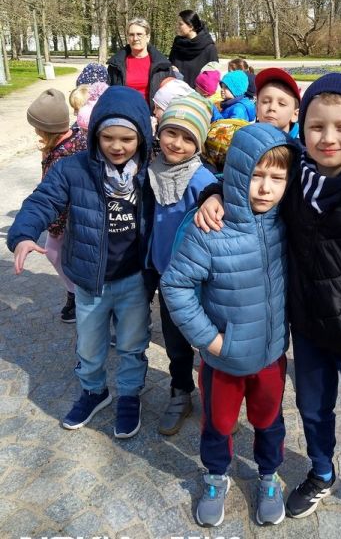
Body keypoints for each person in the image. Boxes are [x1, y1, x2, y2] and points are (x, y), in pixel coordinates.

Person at [194, 73, 341, 539]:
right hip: (310, 334)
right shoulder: (295, 184)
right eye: (317, 126)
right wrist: (214, 194)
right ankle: (322, 471)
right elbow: (250, 185)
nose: (328, 138)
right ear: (302, 128)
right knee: (314, 410)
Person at [161, 124, 295, 527]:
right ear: (237, 175)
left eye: (277, 178)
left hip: (270, 356)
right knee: (218, 424)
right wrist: (209, 339)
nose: (266, 188)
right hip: (224, 360)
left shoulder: (287, 224)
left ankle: (269, 477)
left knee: (269, 421)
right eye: (256, 175)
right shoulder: (210, 229)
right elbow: (176, 285)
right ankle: (216, 476)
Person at [8, 86, 154, 440]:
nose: (117, 146)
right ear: (94, 135)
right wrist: (23, 234)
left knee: (132, 344)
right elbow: (42, 201)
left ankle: (129, 395)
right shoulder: (72, 169)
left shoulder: (151, 172)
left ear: (141, 138)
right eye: (107, 137)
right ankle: (93, 390)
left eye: (126, 139)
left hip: (134, 279)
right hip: (90, 279)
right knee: (89, 345)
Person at [147, 93, 217, 436]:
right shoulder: (150, 172)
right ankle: (180, 392)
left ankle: (217, 398)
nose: (177, 143)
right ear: (159, 132)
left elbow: (217, 214)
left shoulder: (202, 180)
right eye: (171, 132)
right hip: (166, 277)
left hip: (199, 281)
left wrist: (216, 195)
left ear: (198, 144)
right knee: (175, 342)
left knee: (208, 341)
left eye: (188, 138)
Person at [25, 88, 86, 323]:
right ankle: (75, 294)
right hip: (70, 216)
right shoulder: (73, 138)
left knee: (53, 251)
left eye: (37, 126)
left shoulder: (62, 154)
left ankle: (77, 296)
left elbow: (61, 196)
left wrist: (55, 226)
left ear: (46, 128)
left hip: (68, 216)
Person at [107, 17, 173, 112]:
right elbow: (109, 94)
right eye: (131, 35)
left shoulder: (162, 65)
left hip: (152, 115)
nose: (135, 38)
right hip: (124, 114)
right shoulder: (116, 64)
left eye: (139, 34)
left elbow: (171, 96)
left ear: (148, 37)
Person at [169, 9, 219, 88]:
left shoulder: (209, 48)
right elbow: (171, 63)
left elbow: (212, 78)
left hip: (197, 93)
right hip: (176, 91)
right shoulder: (178, 43)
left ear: (191, 26)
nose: (177, 27)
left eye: (180, 24)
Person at [255, 67, 301, 139]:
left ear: (295, 115)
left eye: (281, 104)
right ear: (257, 109)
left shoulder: (302, 145)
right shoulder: (243, 141)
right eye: (265, 101)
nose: (272, 107)